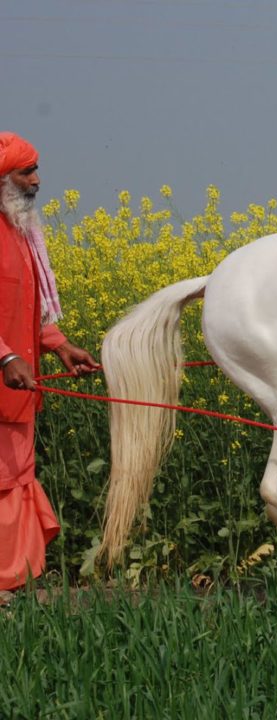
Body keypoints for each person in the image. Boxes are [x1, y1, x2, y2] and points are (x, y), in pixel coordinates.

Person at [0, 131, 99, 593]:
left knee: (15, 479)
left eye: (36, 170)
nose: (37, 180)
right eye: (26, 172)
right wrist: (6, 356)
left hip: (15, 390)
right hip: (8, 375)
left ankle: (13, 583)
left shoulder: (19, 233)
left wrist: (58, 345)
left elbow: (26, 307)